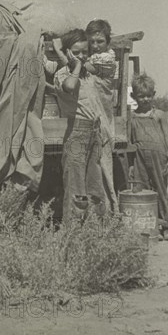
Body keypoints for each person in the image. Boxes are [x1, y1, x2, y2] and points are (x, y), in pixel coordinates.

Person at [54, 29, 108, 224]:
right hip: (77, 133)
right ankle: (74, 234)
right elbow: (69, 87)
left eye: (85, 52)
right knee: (76, 188)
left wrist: (81, 63)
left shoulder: (87, 74)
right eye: (76, 52)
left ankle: (96, 231)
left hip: (94, 132)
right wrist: (75, 64)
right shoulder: (63, 74)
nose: (82, 56)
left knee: (94, 185)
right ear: (68, 53)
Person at [129, 73, 168, 241]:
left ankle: (167, 227)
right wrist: (131, 164)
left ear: (154, 94)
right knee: (142, 190)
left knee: (161, 190)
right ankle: (150, 226)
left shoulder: (159, 115)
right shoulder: (131, 117)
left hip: (159, 157)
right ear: (133, 96)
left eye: (148, 95)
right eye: (141, 96)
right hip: (139, 157)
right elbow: (130, 141)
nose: (145, 99)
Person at [85, 19, 118, 211]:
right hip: (93, 115)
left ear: (108, 43)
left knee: (103, 165)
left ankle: (110, 210)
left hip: (103, 117)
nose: (96, 46)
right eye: (92, 42)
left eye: (100, 41)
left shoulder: (106, 59)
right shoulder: (93, 57)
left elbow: (81, 66)